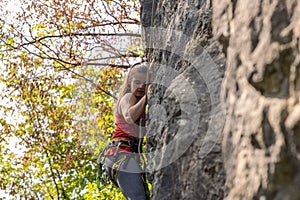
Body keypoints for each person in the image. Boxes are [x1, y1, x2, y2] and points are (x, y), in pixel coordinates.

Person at [103, 63, 150, 200]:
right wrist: (147, 97)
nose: (141, 86)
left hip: (126, 157)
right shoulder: (128, 98)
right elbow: (129, 117)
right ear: (130, 82)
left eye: (145, 83)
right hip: (120, 155)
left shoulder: (139, 105)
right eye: (137, 82)